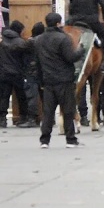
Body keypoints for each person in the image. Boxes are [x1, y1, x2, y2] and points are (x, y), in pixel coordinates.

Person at [35, 13, 86, 148]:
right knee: (68, 110)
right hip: (64, 80)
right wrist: (81, 50)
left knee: (48, 112)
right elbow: (70, 57)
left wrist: (41, 81)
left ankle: (44, 140)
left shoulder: (39, 40)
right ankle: (70, 139)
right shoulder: (64, 38)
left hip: (48, 81)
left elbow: (37, 63)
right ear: (58, 24)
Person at [0, 20, 31, 127]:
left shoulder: (1, 40)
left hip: (3, 72)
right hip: (17, 73)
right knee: (21, 96)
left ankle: (2, 118)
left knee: (4, 96)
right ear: (19, 30)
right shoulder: (20, 42)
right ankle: (23, 117)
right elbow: (25, 59)